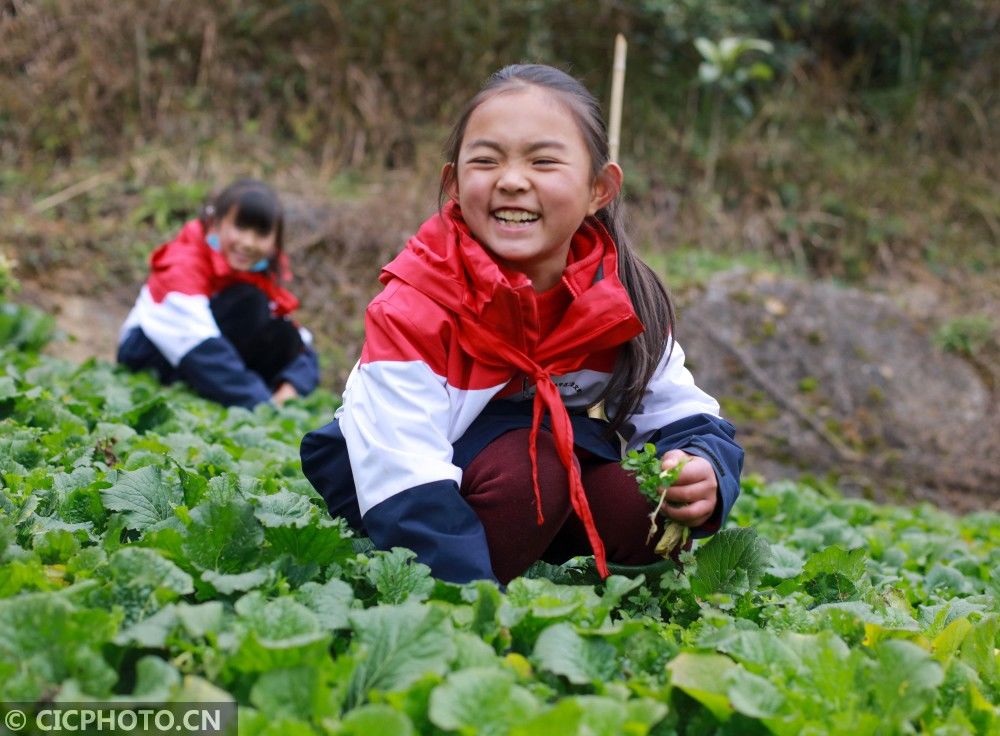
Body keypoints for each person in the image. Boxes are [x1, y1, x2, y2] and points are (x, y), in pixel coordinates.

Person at [301, 64, 743, 585]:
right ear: (455, 184)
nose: (512, 181)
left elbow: (682, 411)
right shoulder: (414, 306)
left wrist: (702, 467)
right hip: (404, 487)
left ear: (599, 189)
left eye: (544, 161)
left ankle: (533, 550)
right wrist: (471, 606)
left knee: (642, 505)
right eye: (486, 161)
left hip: (533, 478)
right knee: (533, 474)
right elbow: (402, 471)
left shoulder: (623, 298)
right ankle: (478, 571)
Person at [118, 179, 319, 408]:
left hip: (202, 353)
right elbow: (197, 344)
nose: (248, 243)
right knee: (250, 303)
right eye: (241, 227)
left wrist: (291, 386)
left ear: (275, 243)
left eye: (261, 234)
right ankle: (226, 394)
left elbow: (300, 344)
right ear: (216, 223)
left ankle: (225, 392)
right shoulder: (183, 262)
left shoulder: (259, 273)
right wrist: (262, 404)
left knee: (279, 330)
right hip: (149, 353)